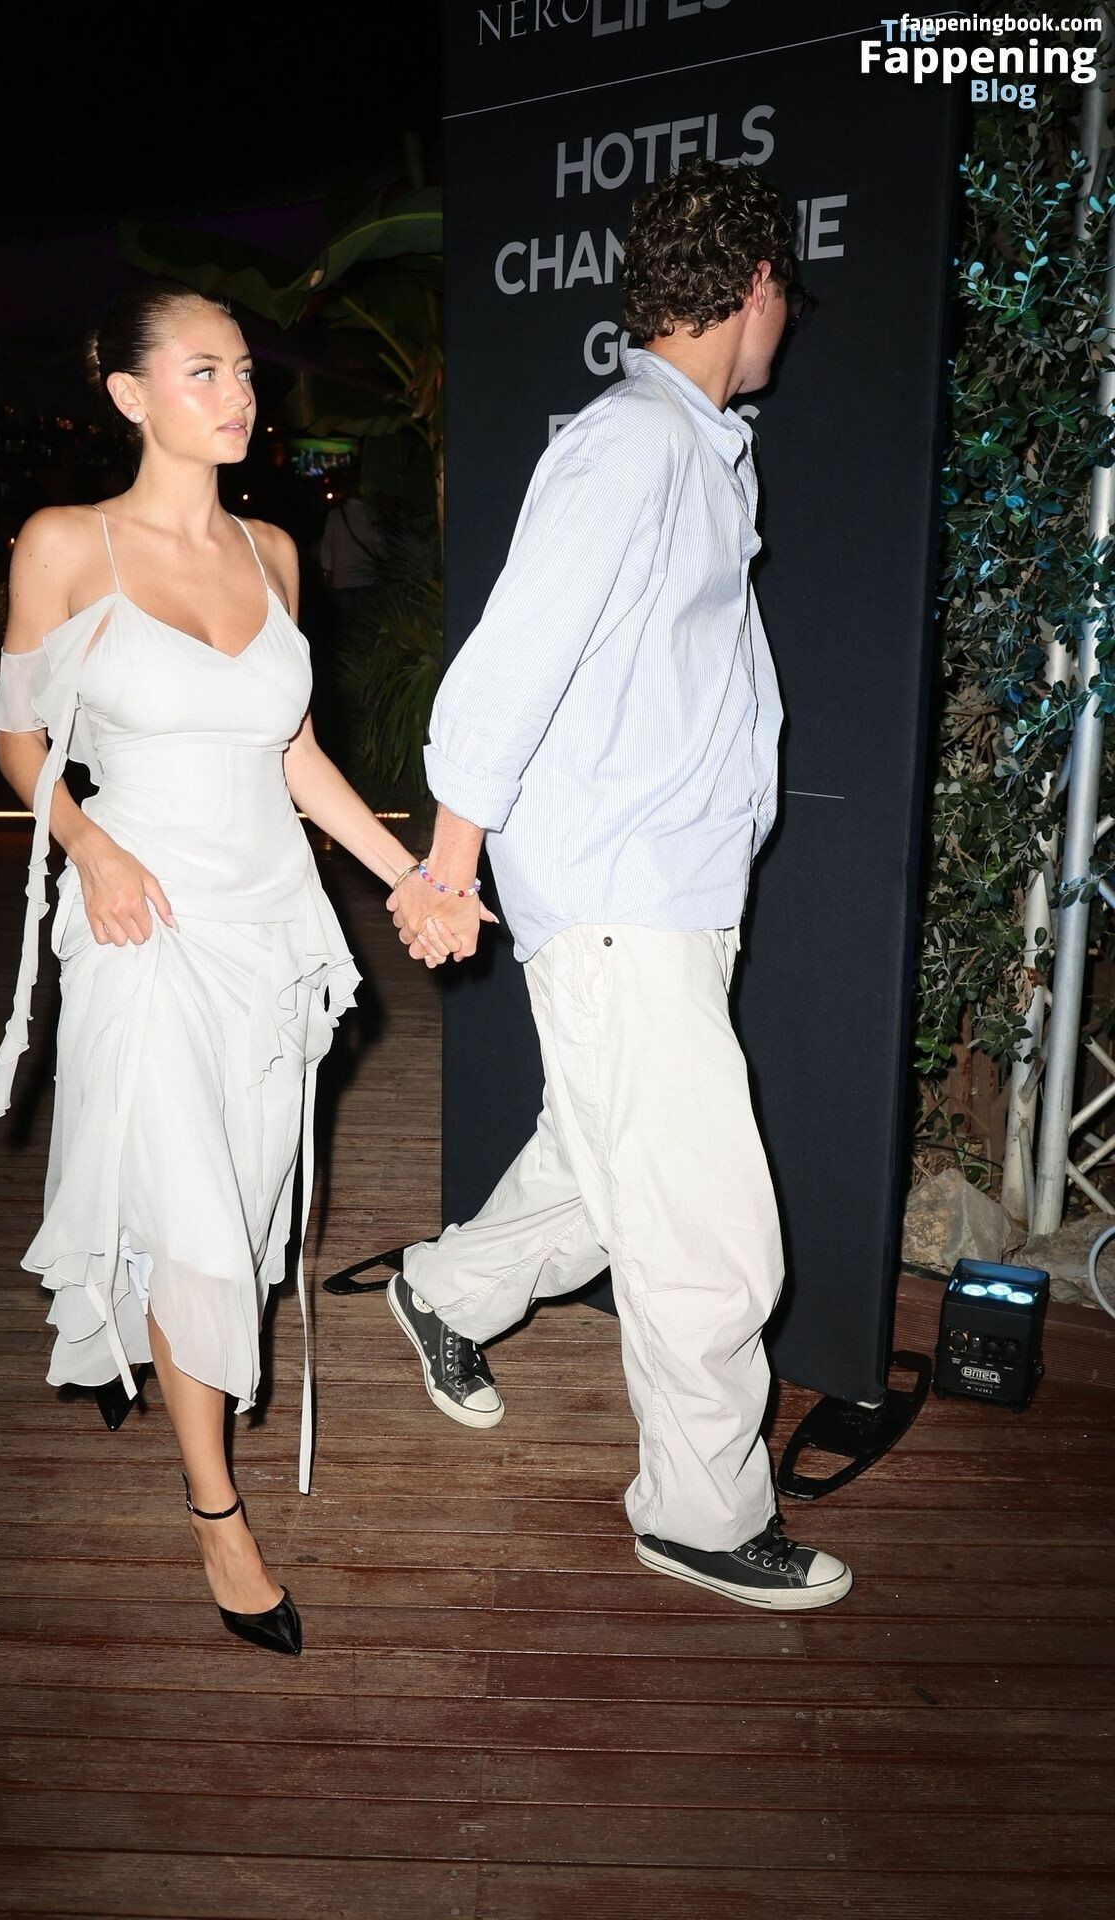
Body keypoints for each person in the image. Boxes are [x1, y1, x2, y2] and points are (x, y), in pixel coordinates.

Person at [383, 160, 852, 1612]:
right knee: (708, 1234)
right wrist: (447, 864)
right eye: (787, 291)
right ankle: (699, 1513)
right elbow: (507, 666)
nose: (789, 317)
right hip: (619, 899)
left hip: (663, 890)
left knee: (602, 1173)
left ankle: (441, 1291)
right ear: (754, 284)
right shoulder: (632, 446)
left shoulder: (694, 447)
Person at [0, 282, 465, 1654]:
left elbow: (295, 754)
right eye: (203, 371)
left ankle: (164, 1351)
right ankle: (217, 1514)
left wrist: (412, 876)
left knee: (241, 1205)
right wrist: (88, 846)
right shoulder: (65, 543)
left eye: (245, 370)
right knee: (194, 1213)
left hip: (269, 929)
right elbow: (19, 739)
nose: (239, 395)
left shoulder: (273, 552)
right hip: (144, 926)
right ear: (130, 395)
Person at [319, 470, 385, 641]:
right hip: (365, 578)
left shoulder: (334, 515)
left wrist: (328, 575)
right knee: (365, 624)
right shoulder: (370, 515)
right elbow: (381, 546)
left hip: (341, 580)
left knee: (346, 624)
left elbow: (327, 547)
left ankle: (347, 652)